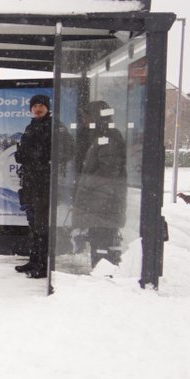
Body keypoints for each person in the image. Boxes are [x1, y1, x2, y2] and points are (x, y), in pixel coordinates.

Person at [71, 100, 126, 267]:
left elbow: (108, 173)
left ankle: (104, 280)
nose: (83, 120)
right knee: (101, 243)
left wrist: (84, 183)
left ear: (95, 117)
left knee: (103, 246)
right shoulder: (101, 136)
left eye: (86, 117)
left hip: (104, 204)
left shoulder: (107, 138)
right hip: (101, 203)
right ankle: (103, 276)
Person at [14, 94, 59, 278]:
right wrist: (23, 155)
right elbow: (25, 153)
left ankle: (42, 265)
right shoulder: (31, 127)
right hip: (31, 185)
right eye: (35, 106)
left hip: (44, 185)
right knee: (34, 224)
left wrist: (42, 161)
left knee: (42, 226)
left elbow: (67, 150)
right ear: (30, 109)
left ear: (47, 108)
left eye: (41, 105)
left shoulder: (54, 127)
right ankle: (34, 260)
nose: (38, 108)